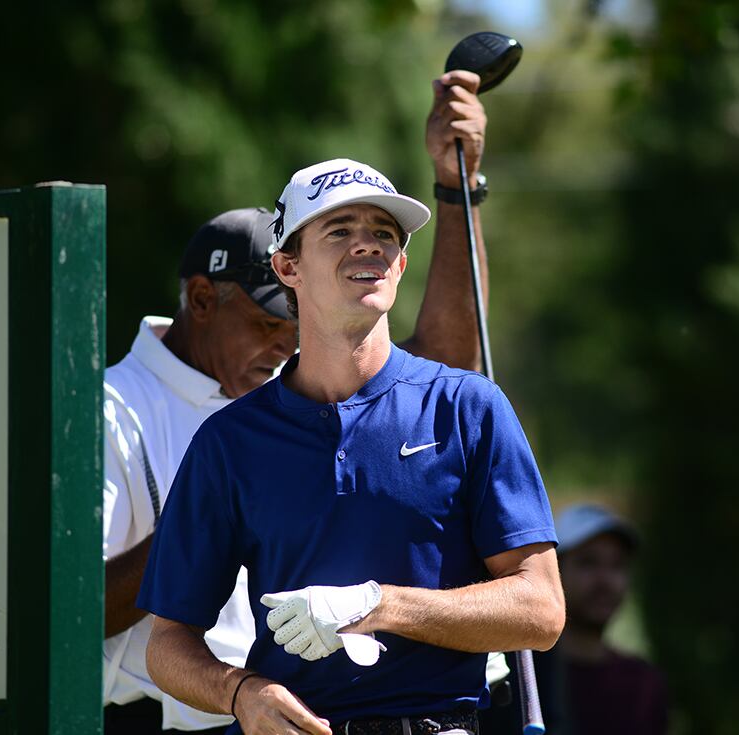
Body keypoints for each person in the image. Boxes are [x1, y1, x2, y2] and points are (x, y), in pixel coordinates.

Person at [103, 70, 499, 734]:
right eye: (266, 323)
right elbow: (70, 610)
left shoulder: (312, 393)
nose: (285, 343)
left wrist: (457, 187)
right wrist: (198, 534)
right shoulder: (118, 410)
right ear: (202, 301)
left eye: (293, 327)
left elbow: (444, 365)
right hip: (172, 720)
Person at [136, 156, 565, 735]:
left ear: (401, 263)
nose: (368, 246)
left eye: (384, 234)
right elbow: (168, 641)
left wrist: (379, 605)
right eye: (340, 231)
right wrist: (240, 693)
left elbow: (540, 610)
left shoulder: (469, 407)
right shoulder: (229, 441)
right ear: (288, 265)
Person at [482, 503, 667, 735]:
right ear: (554, 572)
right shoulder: (518, 682)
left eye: (617, 565)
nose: (605, 580)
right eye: (588, 562)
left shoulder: (644, 684)